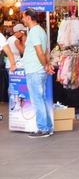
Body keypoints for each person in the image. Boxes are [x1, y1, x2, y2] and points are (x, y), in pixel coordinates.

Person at [21, 8, 55, 138]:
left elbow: (40, 52)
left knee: (37, 100)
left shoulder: (35, 32)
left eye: (24, 17)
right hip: (39, 69)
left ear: (29, 18)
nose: (23, 19)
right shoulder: (41, 31)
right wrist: (46, 65)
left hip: (34, 70)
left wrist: (45, 65)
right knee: (41, 99)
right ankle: (48, 127)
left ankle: (43, 128)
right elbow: (46, 52)